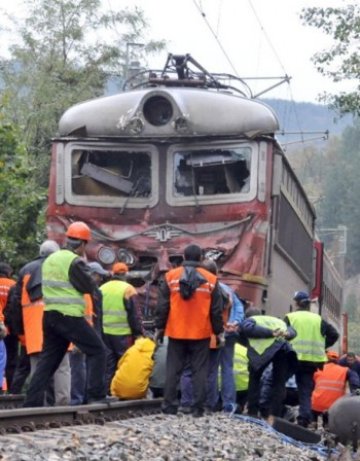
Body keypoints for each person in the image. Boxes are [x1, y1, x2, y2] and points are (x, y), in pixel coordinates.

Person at [23, 221, 109, 407]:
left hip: (50, 316)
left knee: (48, 362)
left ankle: (31, 403)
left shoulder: (51, 259)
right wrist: (89, 271)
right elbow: (87, 286)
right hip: (68, 316)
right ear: (83, 244)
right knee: (98, 350)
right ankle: (96, 396)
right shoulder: (73, 261)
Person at [155, 244, 224, 417]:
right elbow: (216, 310)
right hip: (200, 332)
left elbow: (163, 306)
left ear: (184, 258)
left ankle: (169, 405)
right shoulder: (211, 279)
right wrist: (218, 332)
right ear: (201, 258)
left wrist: (160, 328)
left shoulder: (170, 276)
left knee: (173, 369)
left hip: (176, 330)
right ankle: (197, 408)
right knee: (199, 370)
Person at [284, 290, 339, 427]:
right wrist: (323, 346)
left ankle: (274, 412)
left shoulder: (290, 317)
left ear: (296, 303)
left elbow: (281, 334)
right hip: (310, 361)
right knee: (305, 391)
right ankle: (304, 420)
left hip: (292, 357)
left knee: (277, 383)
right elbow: (334, 335)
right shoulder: (318, 319)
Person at [202, 259, 244, 412]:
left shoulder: (204, 289)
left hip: (213, 333)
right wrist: (234, 322)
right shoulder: (226, 289)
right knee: (227, 367)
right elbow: (239, 308)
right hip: (229, 333)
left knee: (211, 368)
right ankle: (228, 404)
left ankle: (211, 403)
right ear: (217, 273)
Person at [241, 307, 297, 419]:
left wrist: (271, 333)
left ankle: (252, 411)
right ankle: (274, 415)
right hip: (282, 348)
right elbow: (293, 331)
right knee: (279, 382)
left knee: (255, 379)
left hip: (264, 351)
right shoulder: (277, 320)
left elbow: (247, 329)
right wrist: (286, 334)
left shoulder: (251, 320)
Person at [100, 261, 143, 393]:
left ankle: (107, 391)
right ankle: (122, 391)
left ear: (113, 274)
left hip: (105, 333)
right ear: (125, 274)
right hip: (123, 334)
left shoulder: (102, 288)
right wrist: (139, 333)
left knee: (108, 364)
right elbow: (135, 314)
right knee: (124, 363)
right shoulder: (128, 289)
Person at [70, 261, 109, 405]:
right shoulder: (88, 291)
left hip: (94, 330)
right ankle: (82, 398)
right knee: (81, 366)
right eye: (99, 275)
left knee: (86, 365)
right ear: (92, 275)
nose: (101, 278)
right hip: (88, 331)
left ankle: (86, 396)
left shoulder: (96, 291)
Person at [311, 350, 360, 428]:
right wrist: (355, 393)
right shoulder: (345, 370)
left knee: (313, 403)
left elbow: (310, 386)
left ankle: (313, 423)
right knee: (330, 417)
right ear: (337, 360)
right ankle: (327, 426)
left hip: (316, 405)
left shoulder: (317, 370)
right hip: (335, 406)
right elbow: (355, 383)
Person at [0, 262, 16, 392]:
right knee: (11, 359)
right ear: (9, 273)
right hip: (10, 328)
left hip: (1, 325)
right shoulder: (13, 285)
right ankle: (11, 389)